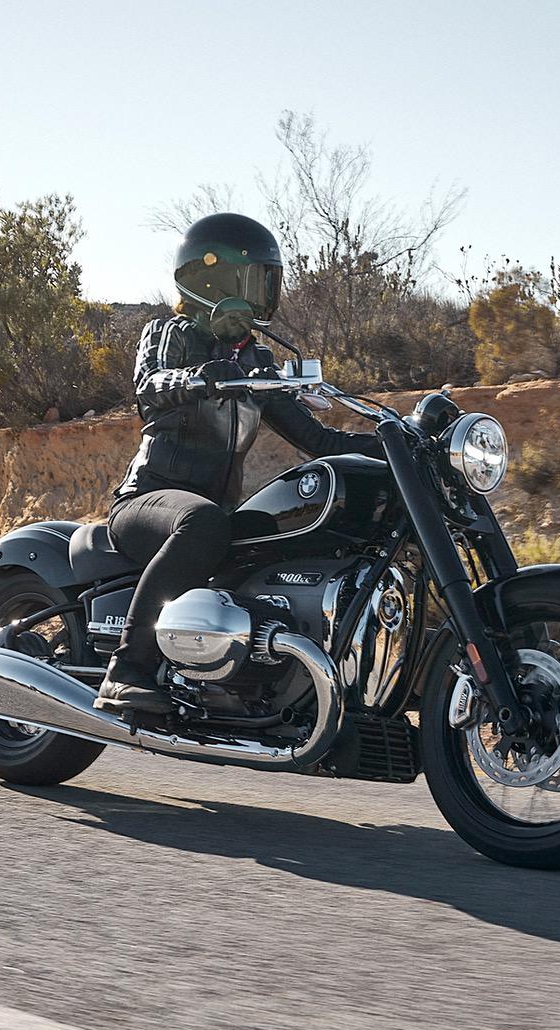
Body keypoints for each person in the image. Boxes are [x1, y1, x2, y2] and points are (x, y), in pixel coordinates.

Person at [96, 213, 385, 714]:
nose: (257, 298)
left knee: (283, 534)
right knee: (204, 522)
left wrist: (392, 443)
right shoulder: (168, 333)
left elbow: (316, 438)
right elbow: (150, 385)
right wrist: (196, 378)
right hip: (147, 502)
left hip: (214, 514)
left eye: (265, 284)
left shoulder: (256, 361)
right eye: (250, 282)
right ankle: (126, 670)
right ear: (212, 280)